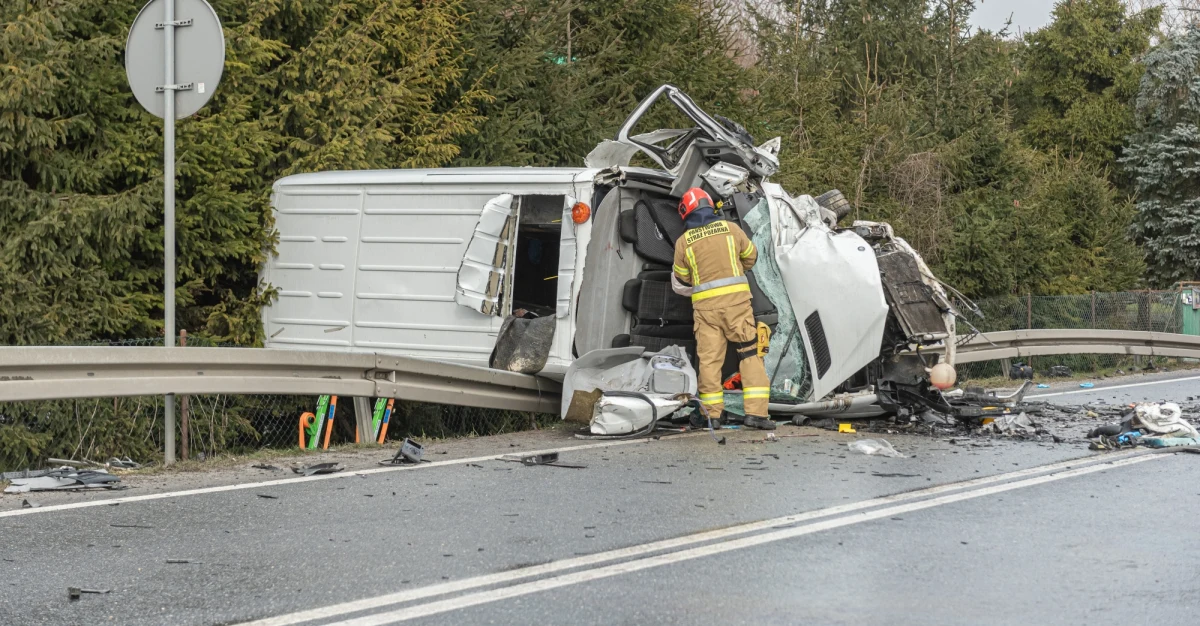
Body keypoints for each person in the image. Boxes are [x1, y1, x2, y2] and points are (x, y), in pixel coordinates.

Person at [671, 187, 774, 430]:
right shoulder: (731, 229)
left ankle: (712, 416)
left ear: (686, 213)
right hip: (737, 306)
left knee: (709, 362)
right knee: (749, 355)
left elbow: (682, 277)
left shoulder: (684, 242)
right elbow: (751, 257)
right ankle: (756, 414)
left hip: (706, 310)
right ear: (709, 205)